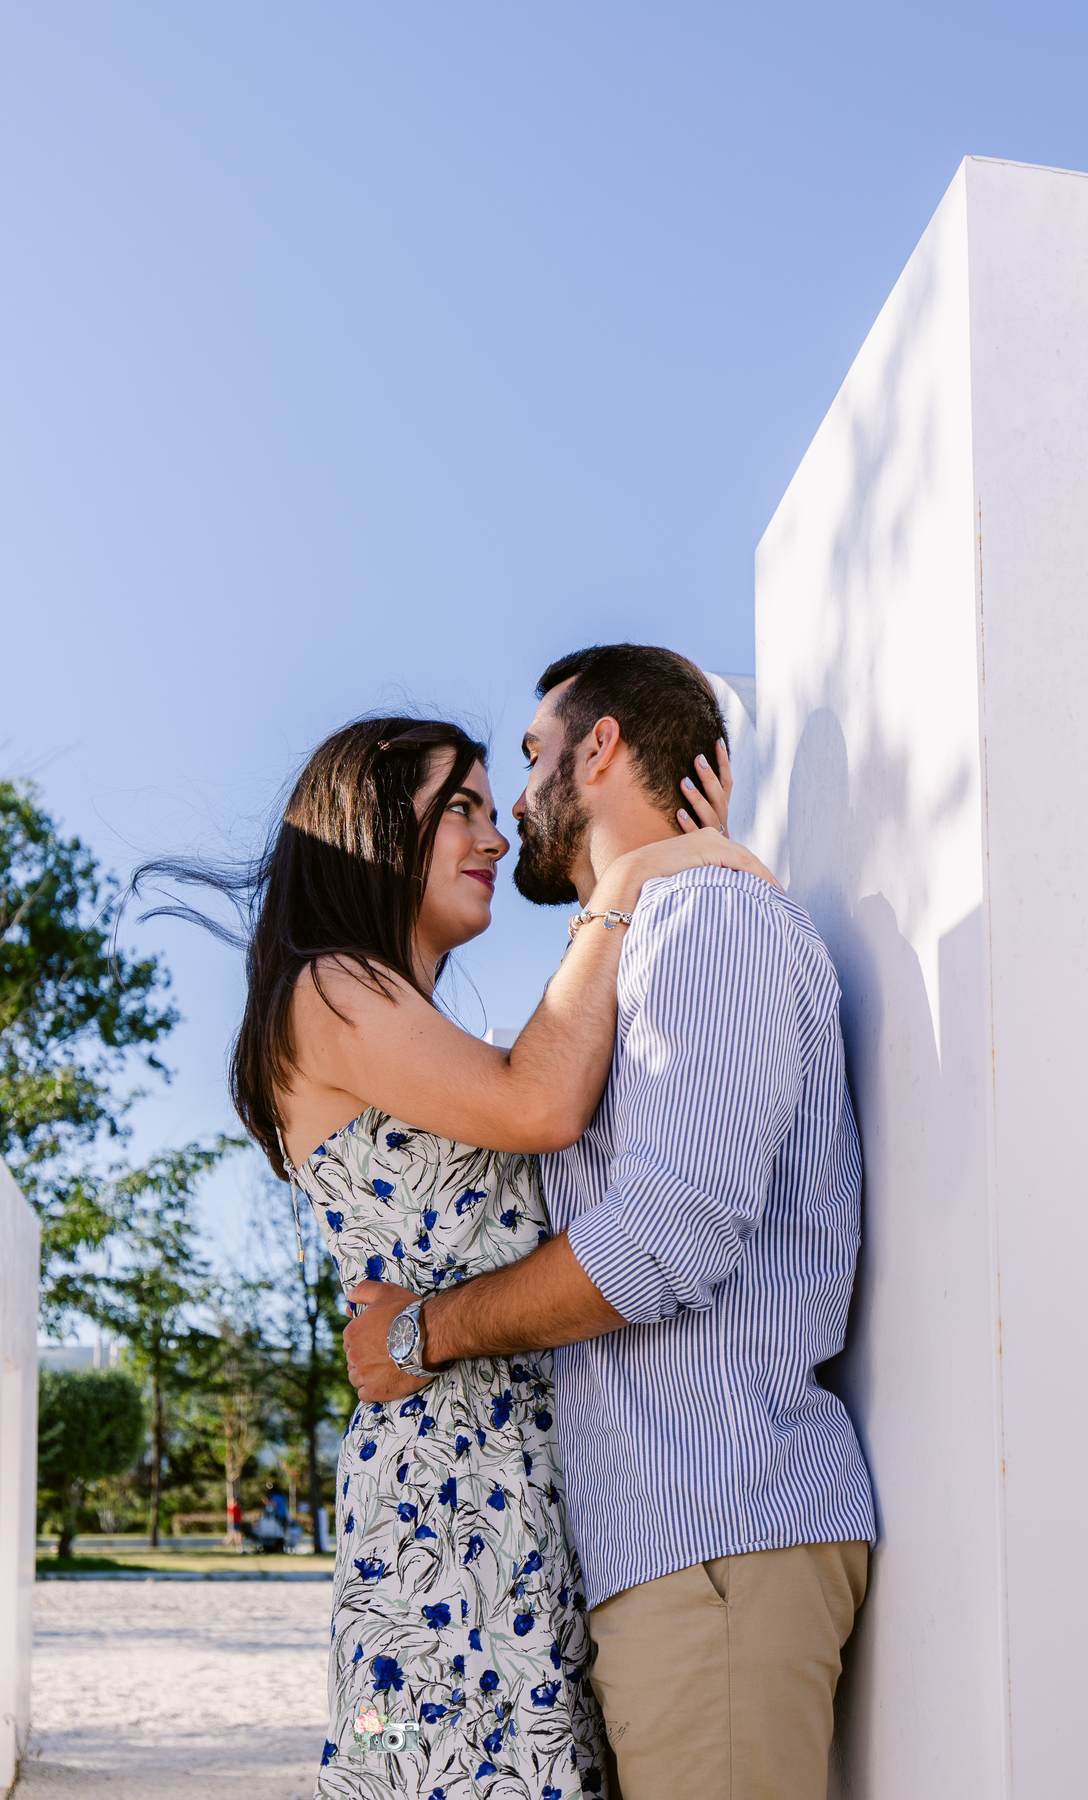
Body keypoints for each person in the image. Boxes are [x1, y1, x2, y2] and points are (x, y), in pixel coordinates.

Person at [140, 704, 769, 1799]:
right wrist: (631, 884)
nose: (493, 836)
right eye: (460, 810)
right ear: (377, 832)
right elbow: (542, 1100)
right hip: (448, 1493)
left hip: (513, 1484)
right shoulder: (333, 988)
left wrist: (679, 867)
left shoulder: (409, 1022)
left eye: (492, 804)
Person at [345, 645, 877, 1800]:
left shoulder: (708, 927)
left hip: (719, 1542)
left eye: (532, 757)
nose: (515, 805)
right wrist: (628, 888)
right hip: (678, 1557)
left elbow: (658, 1241)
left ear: (601, 747)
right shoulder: (659, 931)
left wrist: (421, 1334)